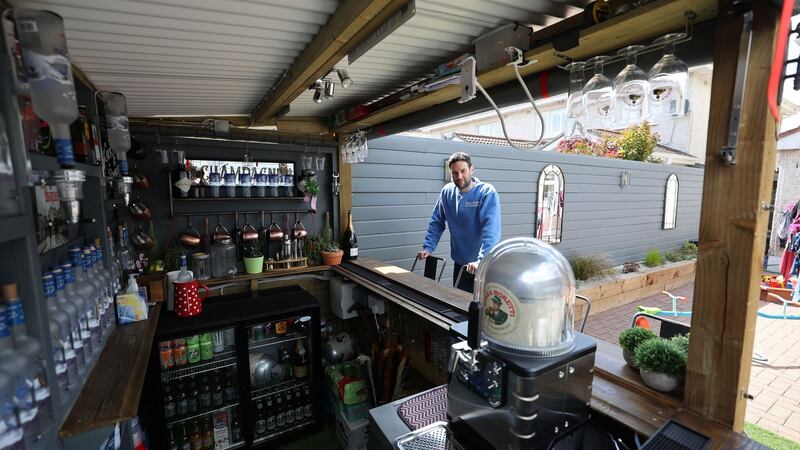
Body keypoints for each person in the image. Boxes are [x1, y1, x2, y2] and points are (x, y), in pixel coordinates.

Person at [418, 152, 501, 293]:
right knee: (459, 302)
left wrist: (481, 260)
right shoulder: (447, 192)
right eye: (455, 173)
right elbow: (437, 221)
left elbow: (491, 230)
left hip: (482, 265)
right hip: (460, 263)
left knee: (481, 308)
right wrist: (428, 248)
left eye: (463, 171)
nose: (459, 177)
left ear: (471, 170)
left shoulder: (486, 192)